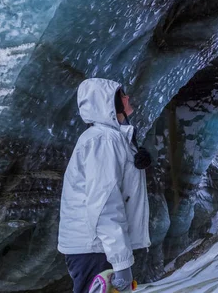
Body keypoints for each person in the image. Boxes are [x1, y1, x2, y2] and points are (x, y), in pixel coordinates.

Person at [58, 78, 152, 293]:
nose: (127, 98)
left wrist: (136, 158)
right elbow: (104, 205)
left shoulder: (112, 138)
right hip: (95, 248)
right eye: (121, 95)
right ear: (108, 103)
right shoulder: (103, 140)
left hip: (99, 247)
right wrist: (121, 263)